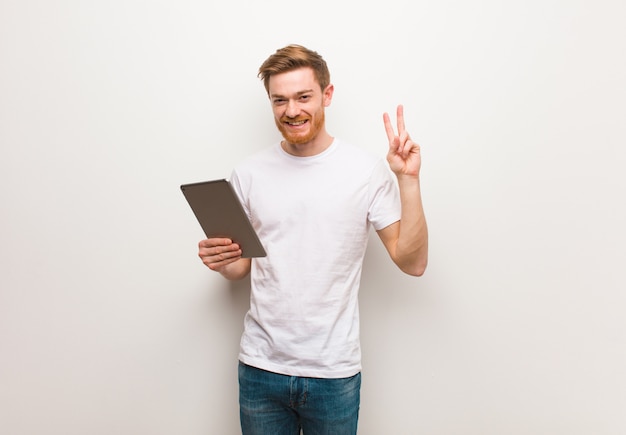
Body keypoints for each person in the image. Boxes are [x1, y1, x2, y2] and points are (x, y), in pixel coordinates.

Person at [197, 44, 428, 435]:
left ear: (327, 95)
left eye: (304, 96)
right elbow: (240, 269)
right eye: (280, 100)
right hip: (261, 368)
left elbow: (413, 262)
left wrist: (408, 179)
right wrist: (223, 259)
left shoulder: (365, 171)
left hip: (333, 373)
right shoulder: (249, 173)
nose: (291, 110)